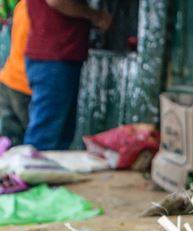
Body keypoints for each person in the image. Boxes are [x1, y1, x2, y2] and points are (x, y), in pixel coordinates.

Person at [23, 0, 110, 150]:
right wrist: (95, 16)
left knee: (59, 135)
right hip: (54, 57)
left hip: (58, 56)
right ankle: (29, 173)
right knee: (45, 137)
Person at [0, 0, 31, 144]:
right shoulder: (39, 9)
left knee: (9, 143)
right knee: (32, 144)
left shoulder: (22, 5)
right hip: (24, 84)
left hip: (8, 79)